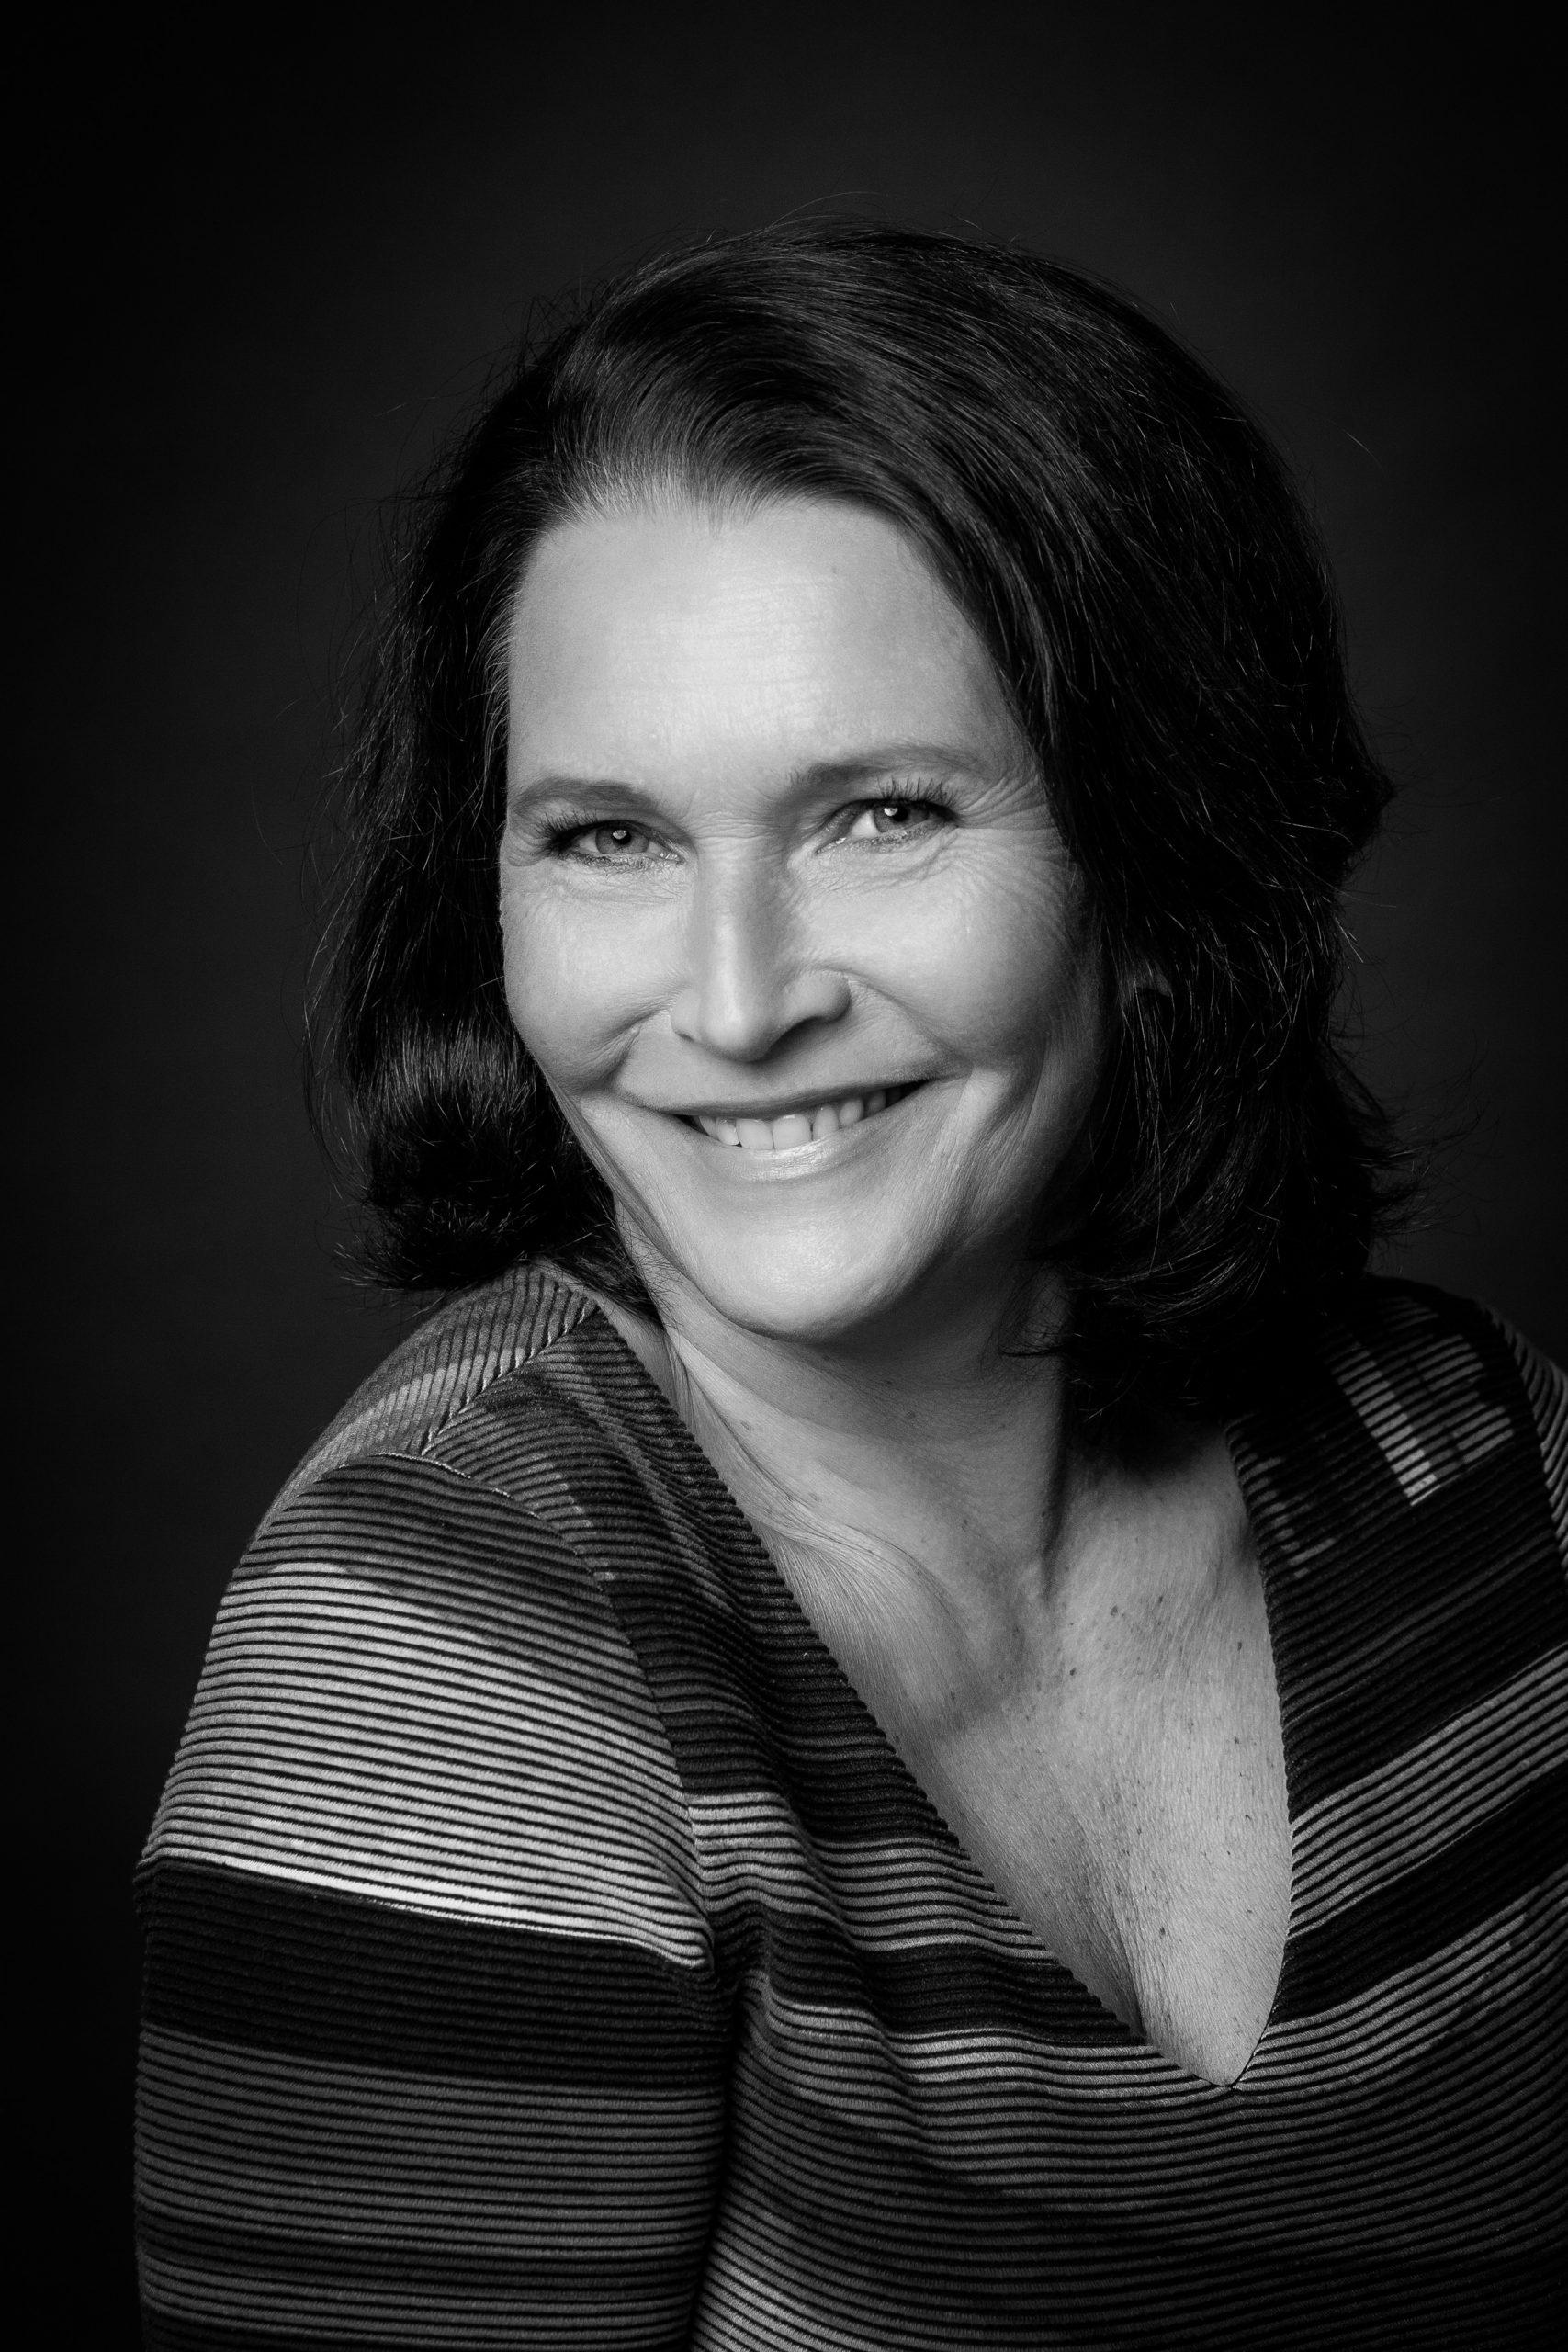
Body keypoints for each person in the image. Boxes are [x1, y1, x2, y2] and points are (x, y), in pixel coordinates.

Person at [134, 224, 1567, 2348]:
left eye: (880, 812)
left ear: (1150, 847)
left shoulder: (1488, 1471)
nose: (734, 1002)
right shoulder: (442, 1660)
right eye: (606, 836)